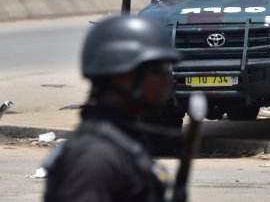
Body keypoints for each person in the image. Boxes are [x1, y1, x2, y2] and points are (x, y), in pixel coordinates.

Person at [43, 15, 181, 202]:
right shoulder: (95, 157)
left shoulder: (121, 140)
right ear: (124, 75)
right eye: (159, 70)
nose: (168, 80)